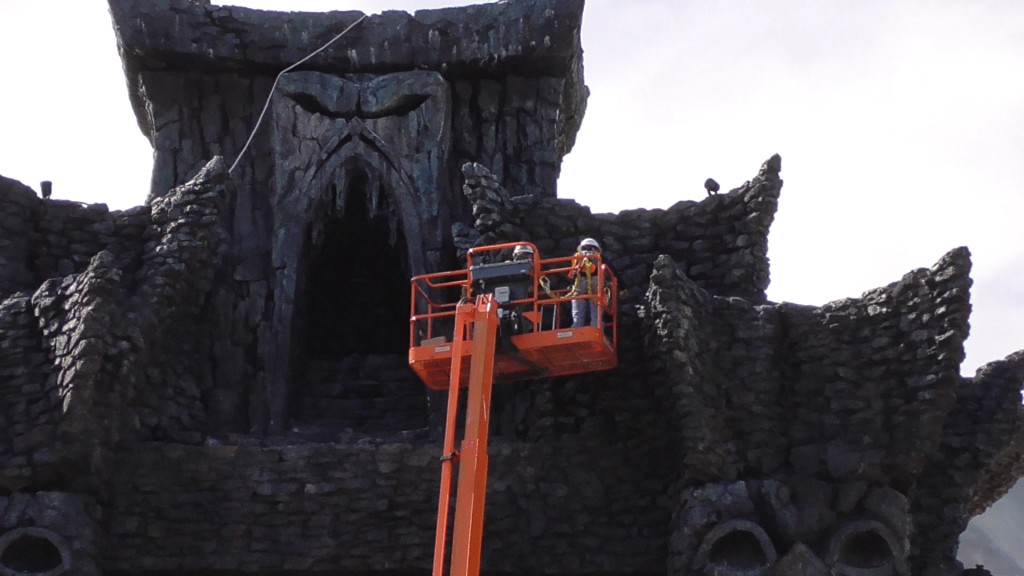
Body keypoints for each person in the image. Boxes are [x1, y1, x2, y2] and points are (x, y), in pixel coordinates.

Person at [568, 238, 602, 328]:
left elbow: (573, 273)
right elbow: (612, 269)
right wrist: (622, 287)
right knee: (596, 310)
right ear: (595, 248)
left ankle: (576, 328)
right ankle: (596, 327)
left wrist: (571, 285)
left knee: (577, 312)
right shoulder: (598, 257)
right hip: (595, 283)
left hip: (579, 284)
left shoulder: (578, 257)